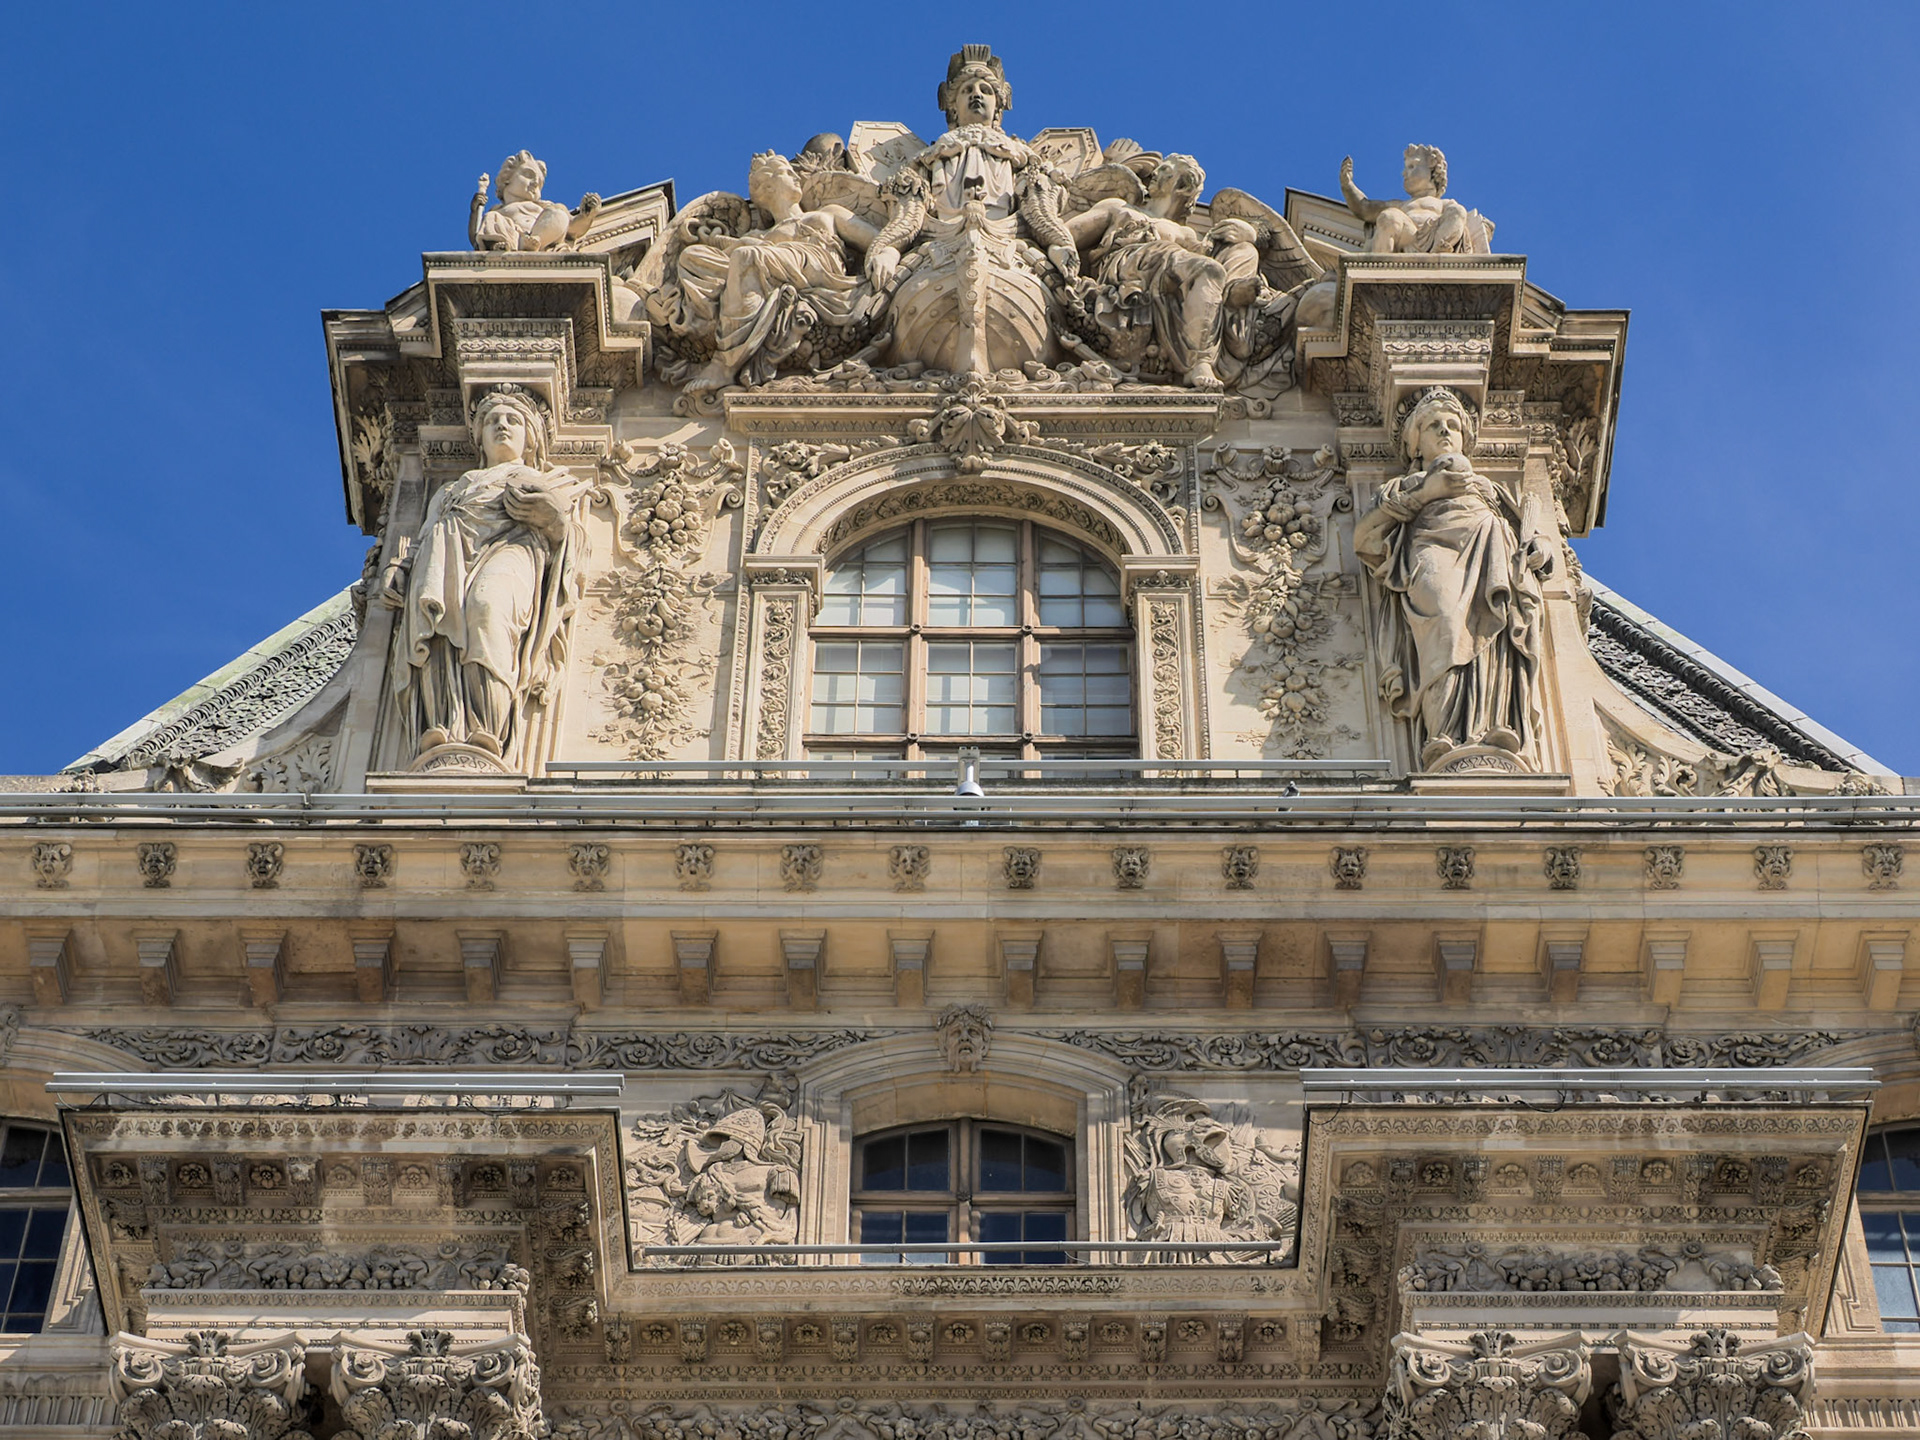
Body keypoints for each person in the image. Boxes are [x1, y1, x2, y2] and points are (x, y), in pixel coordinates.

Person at [383, 384, 585, 767]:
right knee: (438, 628)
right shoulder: (451, 489)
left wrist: (553, 519)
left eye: (513, 420)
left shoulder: (545, 484)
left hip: (515, 547)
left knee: (487, 609)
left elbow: (572, 542)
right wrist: (400, 569)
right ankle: (446, 723)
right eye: (491, 420)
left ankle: (488, 729)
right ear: (478, 437)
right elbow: (422, 538)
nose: (502, 426)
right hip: (447, 554)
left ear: (531, 438)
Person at [1353, 386, 1551, 770]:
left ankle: (1491, 726)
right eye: (1432, 426)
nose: (1445, 432)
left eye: (1453, 426)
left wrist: (1539, 548)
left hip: (1491, 556)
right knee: (1445, 627)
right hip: (1432, 558)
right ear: (1415, 444)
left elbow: (1528, 533)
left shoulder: (1488, 488)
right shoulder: (1400, 487)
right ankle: (1443, 736)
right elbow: (1366, 538)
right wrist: (1427, 493)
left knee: (1492, 637)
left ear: (1465, 437)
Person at [676, 152, 882, 395]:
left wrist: (887, 253)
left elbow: (877, 240)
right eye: (786, 173)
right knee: (691, 258)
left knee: (747, 256)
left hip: (818, 268)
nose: (795, 177)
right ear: (767, 188)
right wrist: (711, 239)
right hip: (774, 265)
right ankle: (718, 326)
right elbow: (727, 258)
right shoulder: (760, 237)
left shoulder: (826, 214)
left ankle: (724, 363)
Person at [1063, 154, 1227, 388]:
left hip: (1166, 275)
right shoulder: (1120, 208)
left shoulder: (1187, 236)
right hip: (1127, 266)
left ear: (1181, 186)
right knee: (1185, 259)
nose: (1155, 173)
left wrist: (1248, 234)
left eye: (1165, 170)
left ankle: (1199, 361)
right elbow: (1068, 234)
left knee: (1211, 270)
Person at [1338, 145, 1485, 256]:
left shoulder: (1444, 204)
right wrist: (1348, 185)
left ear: (1432, 170)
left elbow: (1457, 218)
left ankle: (1436, 252)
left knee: (1458, 210)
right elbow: (1364, 208)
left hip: (1435, 239)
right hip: (1408, 237)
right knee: (1390, 216)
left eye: (1412, 166)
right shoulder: (1400, 206)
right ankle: (1381, 266)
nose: (1404, 173)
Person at [469, 150, 600, 252]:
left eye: (539, 182)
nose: (535, 183)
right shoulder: (497, 212)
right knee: (491, 217)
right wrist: (475, 210)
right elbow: (476, 237)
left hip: (540, 239)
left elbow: (572, 228)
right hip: (514, 238)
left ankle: (535, 242)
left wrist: (587, 216)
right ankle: (511, 244)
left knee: (558, 212)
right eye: (528, 175)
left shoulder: (545, 206)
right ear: (507, 178)